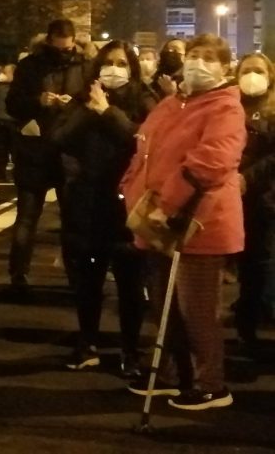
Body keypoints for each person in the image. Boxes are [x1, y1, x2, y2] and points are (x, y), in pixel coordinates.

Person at [121, 34, 245, 410]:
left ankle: (211, 383)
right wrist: (129, 188)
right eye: (194, 55)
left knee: (198, 310)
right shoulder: (172, 103)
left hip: (197, 219)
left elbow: (210, 161)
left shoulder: (225, 107)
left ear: (225, 67)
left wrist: (169, 203)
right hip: (156, 216)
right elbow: (144, 148)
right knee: (164, 304)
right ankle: (169, 373)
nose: (198, 63)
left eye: (209, 58)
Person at [52, 40, 155, 375]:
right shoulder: (83, 100)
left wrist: (109, 114)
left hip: (126, 202)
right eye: (108, 62)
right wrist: (89, 110)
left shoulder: (145, 100)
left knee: (129, 281)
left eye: (122, 63)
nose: (114, 69)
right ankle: (87, 343)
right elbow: (60, 138)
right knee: (88, 279)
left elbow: (145, 142)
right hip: (88, 201)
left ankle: (130, 349)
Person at [6, 18, 93, 295]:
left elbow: (95, 102)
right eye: (58, 48)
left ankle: (75, 272)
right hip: (35, 149)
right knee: (28, 216)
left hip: (69, 150)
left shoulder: (84, 67)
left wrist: (75, 103)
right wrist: (37, 102)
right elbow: (12, 103)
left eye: (67, 49)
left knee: (73, 219)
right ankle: (18, 273)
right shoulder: (30, 66)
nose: (63, 54)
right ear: (48, 40)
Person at [233, 53, 275, 353]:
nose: (252, 76)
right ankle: (243, 328)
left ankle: (252, 327)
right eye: (246, 70)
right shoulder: (229, 106)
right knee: (245, 266)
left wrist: (248, 177)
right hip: (231, 200)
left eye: (258, 71)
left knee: (260, 265)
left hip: (265, 199)